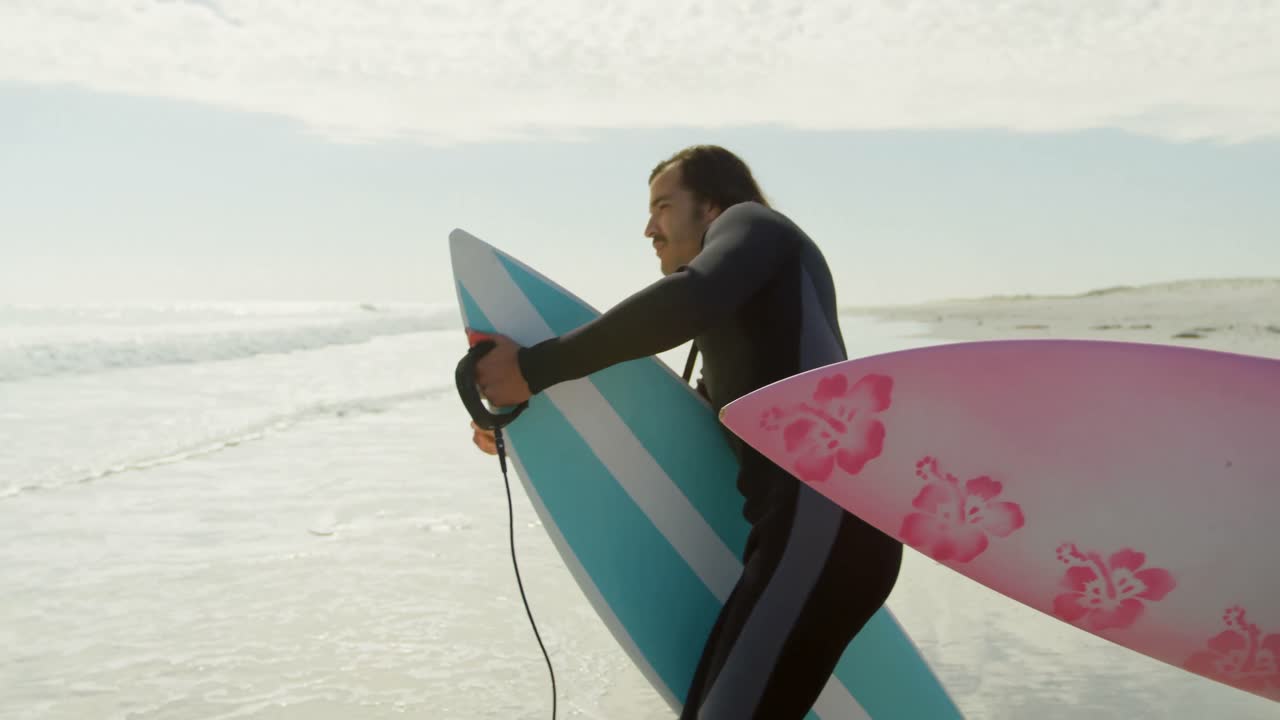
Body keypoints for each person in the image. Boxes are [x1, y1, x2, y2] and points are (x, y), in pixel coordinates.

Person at [469, 145, 903, 719]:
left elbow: (688, 299)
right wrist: (534, 429)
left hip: (824, 519)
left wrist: (532, 369)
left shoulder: (754, 224)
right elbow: (674, 428)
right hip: (810, 531)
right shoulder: (743, 324)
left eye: (664, 206)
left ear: (712, 207)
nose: (649, 228)